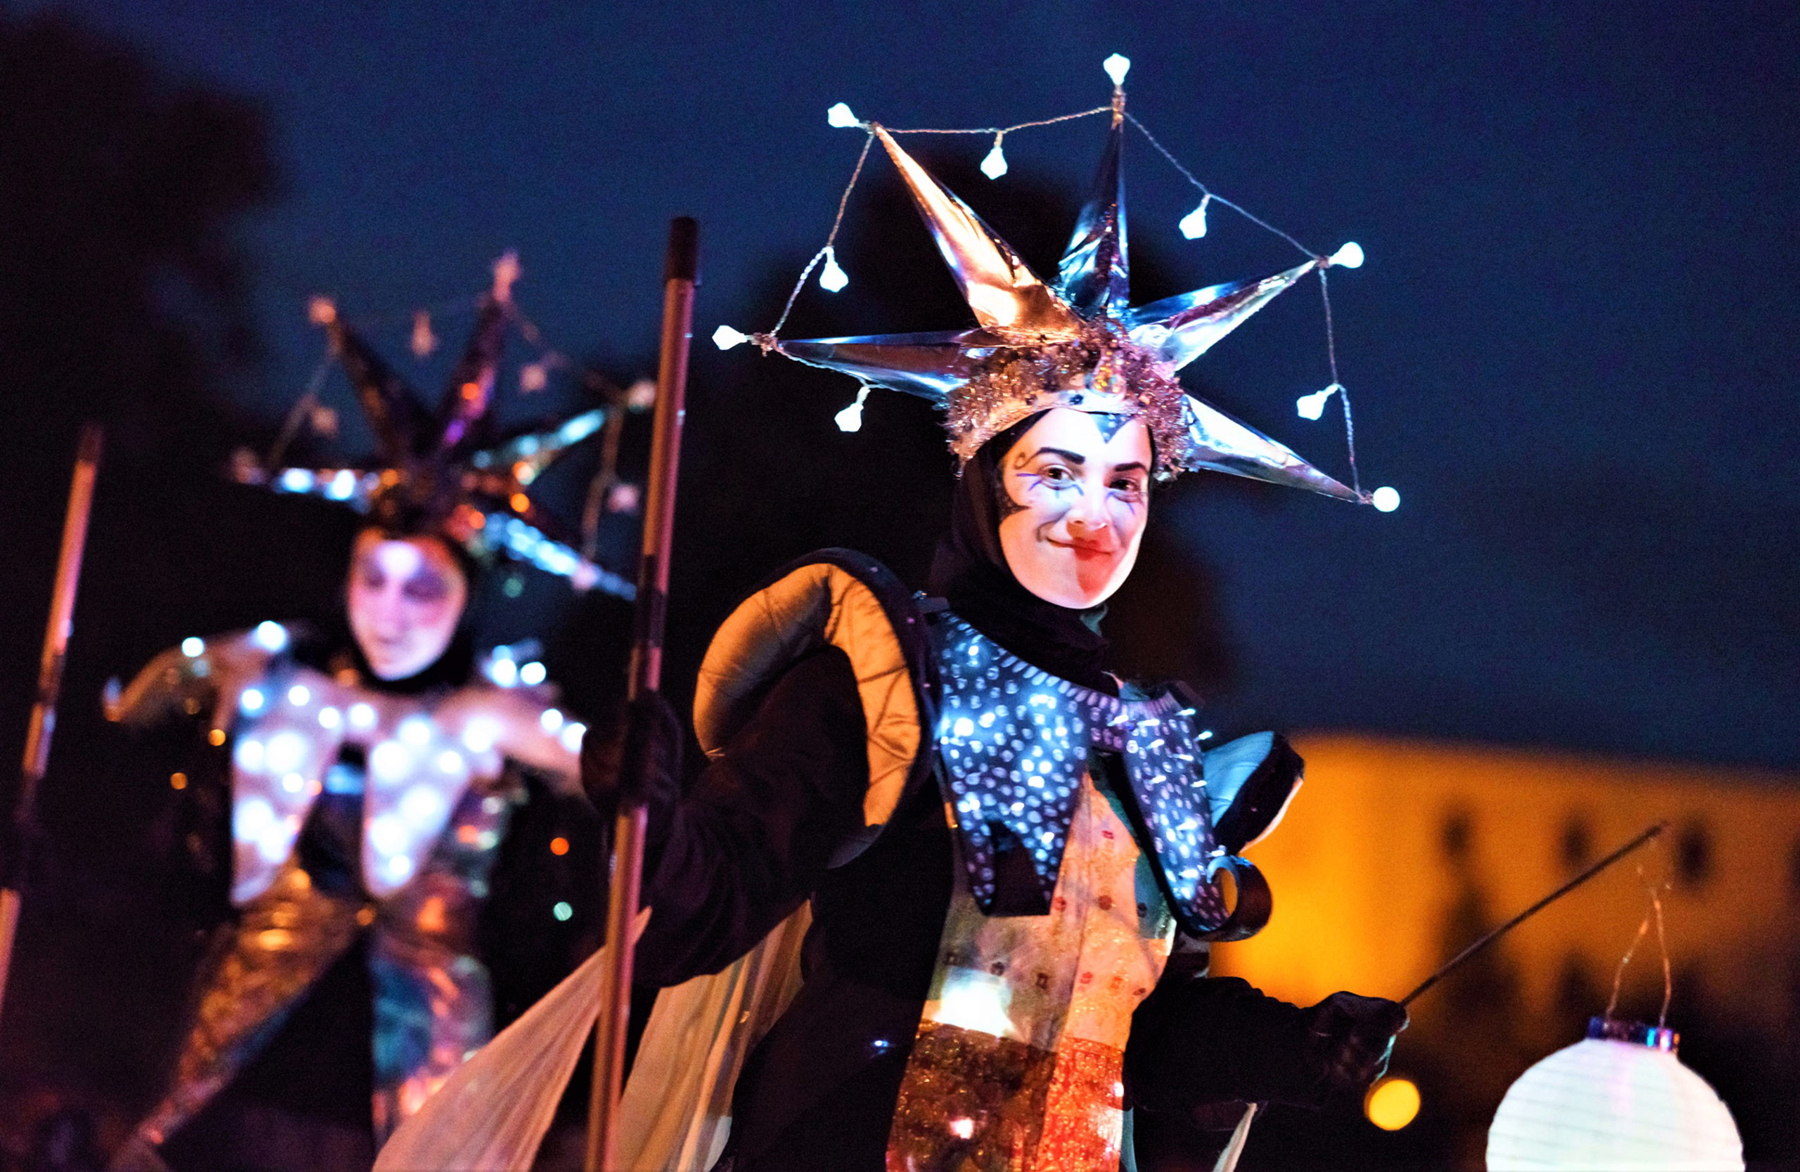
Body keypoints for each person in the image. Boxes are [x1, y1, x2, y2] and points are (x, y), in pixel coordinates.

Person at [380, 75, 1404, 1172]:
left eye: (1126, 482)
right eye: (1055, 472)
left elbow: (1127, 1028)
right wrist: (652, 816)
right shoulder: (887, 675)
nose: (1094, 517)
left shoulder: (1147, 740)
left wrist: (1290, 1049)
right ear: (986, 480)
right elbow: (708, 901)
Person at [105, 261, 631, 1172]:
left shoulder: (496, 710)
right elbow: (139, 708)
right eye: (374, 578)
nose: (391, 611)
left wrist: (626, 758)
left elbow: (613, 780)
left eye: (423, 588)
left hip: (421, 1057)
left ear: (465, 597)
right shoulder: (277, 673)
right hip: (251, 1050)